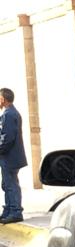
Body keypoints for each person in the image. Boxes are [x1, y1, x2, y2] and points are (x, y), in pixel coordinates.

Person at [0, 87, 26, 224]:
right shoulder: (10, 113)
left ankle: (15, 211)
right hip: (9, 156)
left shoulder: (8, 115)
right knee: (6, 184)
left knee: (10, 184)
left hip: (9, 157)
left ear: (3, 99)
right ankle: (9, 210)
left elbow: (7, 138)